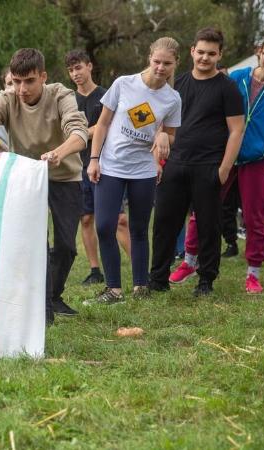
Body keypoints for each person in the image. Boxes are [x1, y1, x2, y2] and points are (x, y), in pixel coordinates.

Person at [0, 48, 89, 323]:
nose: (21, 88)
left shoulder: (61, 95)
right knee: (35, 246)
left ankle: (53, 295)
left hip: (65, 176)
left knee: (66, 247)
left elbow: (78, 133)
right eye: (16, 81)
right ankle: (42, 311)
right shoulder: (7, 99)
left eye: (29, 81)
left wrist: (59, 153)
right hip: (27, 180)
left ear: (43, 76)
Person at [173, 33, 264, 294]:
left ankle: (253, 273)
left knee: (255, 216)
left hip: (255, 160)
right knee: (202, 209)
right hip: (220, 156)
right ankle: (190, 261)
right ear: (258, 52)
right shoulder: (236, 78)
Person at [84, 37, 182, 305]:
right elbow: (102, 124)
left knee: (139, 229)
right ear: (149, 58)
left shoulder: (173, 99)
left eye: (167, 63)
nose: (161, 67)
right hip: (112, 165)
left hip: (143, 171)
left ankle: (141, 287)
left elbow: (170, 135)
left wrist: (164, 139)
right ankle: (113, 290)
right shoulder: (124, 84)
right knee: (105, 226)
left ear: (175, 64)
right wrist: (94, 159)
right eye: (156, 61)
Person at [147, 28, 245, 297]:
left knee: (208, 226)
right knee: (165, 223)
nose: (204, 58)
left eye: (211, 54)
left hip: (209, 167)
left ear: (219, 55)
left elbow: (237, 130)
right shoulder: (175, 85)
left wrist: (224, 169)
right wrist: (158, 143)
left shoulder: (227, 88)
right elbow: (156, 122)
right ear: (191, 51)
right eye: (200, 52)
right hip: (175, 164)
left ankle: (206, 281)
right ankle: (157, 279)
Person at [64, 49, 131, 286]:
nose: (75, 74)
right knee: (86, 219)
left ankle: (140, 267)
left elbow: (108, 126)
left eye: (79, 68)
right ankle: (95, 270)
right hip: (78, 166)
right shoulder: (68, 101)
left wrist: (81, 134)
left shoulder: (105, 95)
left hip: (106, 165)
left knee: (119, 220)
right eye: (71, 70)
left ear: (89, 66)